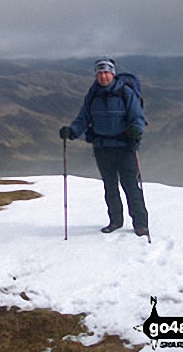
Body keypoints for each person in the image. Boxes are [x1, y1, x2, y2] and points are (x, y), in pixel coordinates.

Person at [60, 58, 149, 237]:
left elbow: (137, 116)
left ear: (113, 74)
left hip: (124, 147)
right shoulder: (93, 95)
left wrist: (136, 130)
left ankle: (141, 224)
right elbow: (83, 118)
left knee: (130, 186)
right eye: (99, 73)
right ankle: (115, 221)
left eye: (106, 72)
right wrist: (72, 131)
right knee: (110, 186)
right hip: (102, 147)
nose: (103, 76)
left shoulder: (125, 92)